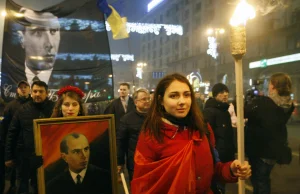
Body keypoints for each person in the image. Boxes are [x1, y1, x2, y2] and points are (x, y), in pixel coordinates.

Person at [131, 73, 251, 194]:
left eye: (187, 95)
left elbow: (213, 170)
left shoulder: (203, 128)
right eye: (174, 96)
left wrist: (231, 169)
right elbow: (143, 185)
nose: (182, 101)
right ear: (161, 100)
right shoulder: (151, 135)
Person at [245, 72, 294, 194]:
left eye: (269, 83)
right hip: (274, 150)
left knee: (259, 181)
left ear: (273, 86)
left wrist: (250, 99)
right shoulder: (288, 104)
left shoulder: (264, 103)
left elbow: (246, 112)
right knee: (264, 179)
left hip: (261, 149)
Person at [5, 81, 55, 194]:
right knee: (22, 186)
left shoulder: (55, 109)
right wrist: (8, 157)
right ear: (31, 92)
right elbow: (12, 133)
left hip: (48, 157)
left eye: (41, 91)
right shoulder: (22, 110)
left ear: (47, 93)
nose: (37, 94)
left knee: (43, 186)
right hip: (24, 157)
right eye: (35, 91)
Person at [46, 133, 112, 194]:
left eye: (86, 149)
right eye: (76, 151)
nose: (84, 156)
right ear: (64, 157)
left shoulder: (106, 178)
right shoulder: (54, 186)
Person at [0, 80, 32, 194]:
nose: (23, 89)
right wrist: (6, 146)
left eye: (25, 87)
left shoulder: (34, 104)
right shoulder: (10, 106)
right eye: (21, 87)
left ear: (29, 89)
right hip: (15, 145)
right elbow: (5, 128)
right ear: (17, 90)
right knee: (15, 173)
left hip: (31, 145)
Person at [17, 7, 60, 86]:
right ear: (21, 39)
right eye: (37, 32)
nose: (49, 44)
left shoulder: (70, 78)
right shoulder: (12, 74)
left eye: (53, 31)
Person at [116, 88, 150, 181]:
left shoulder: (156, 117)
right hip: (135, 162)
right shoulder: (126, 119)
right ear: (136, 102)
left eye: (148, 99)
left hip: (155, 161)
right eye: (144, 99)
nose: (147, 101)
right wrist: (120, 162)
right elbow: (121, 142)